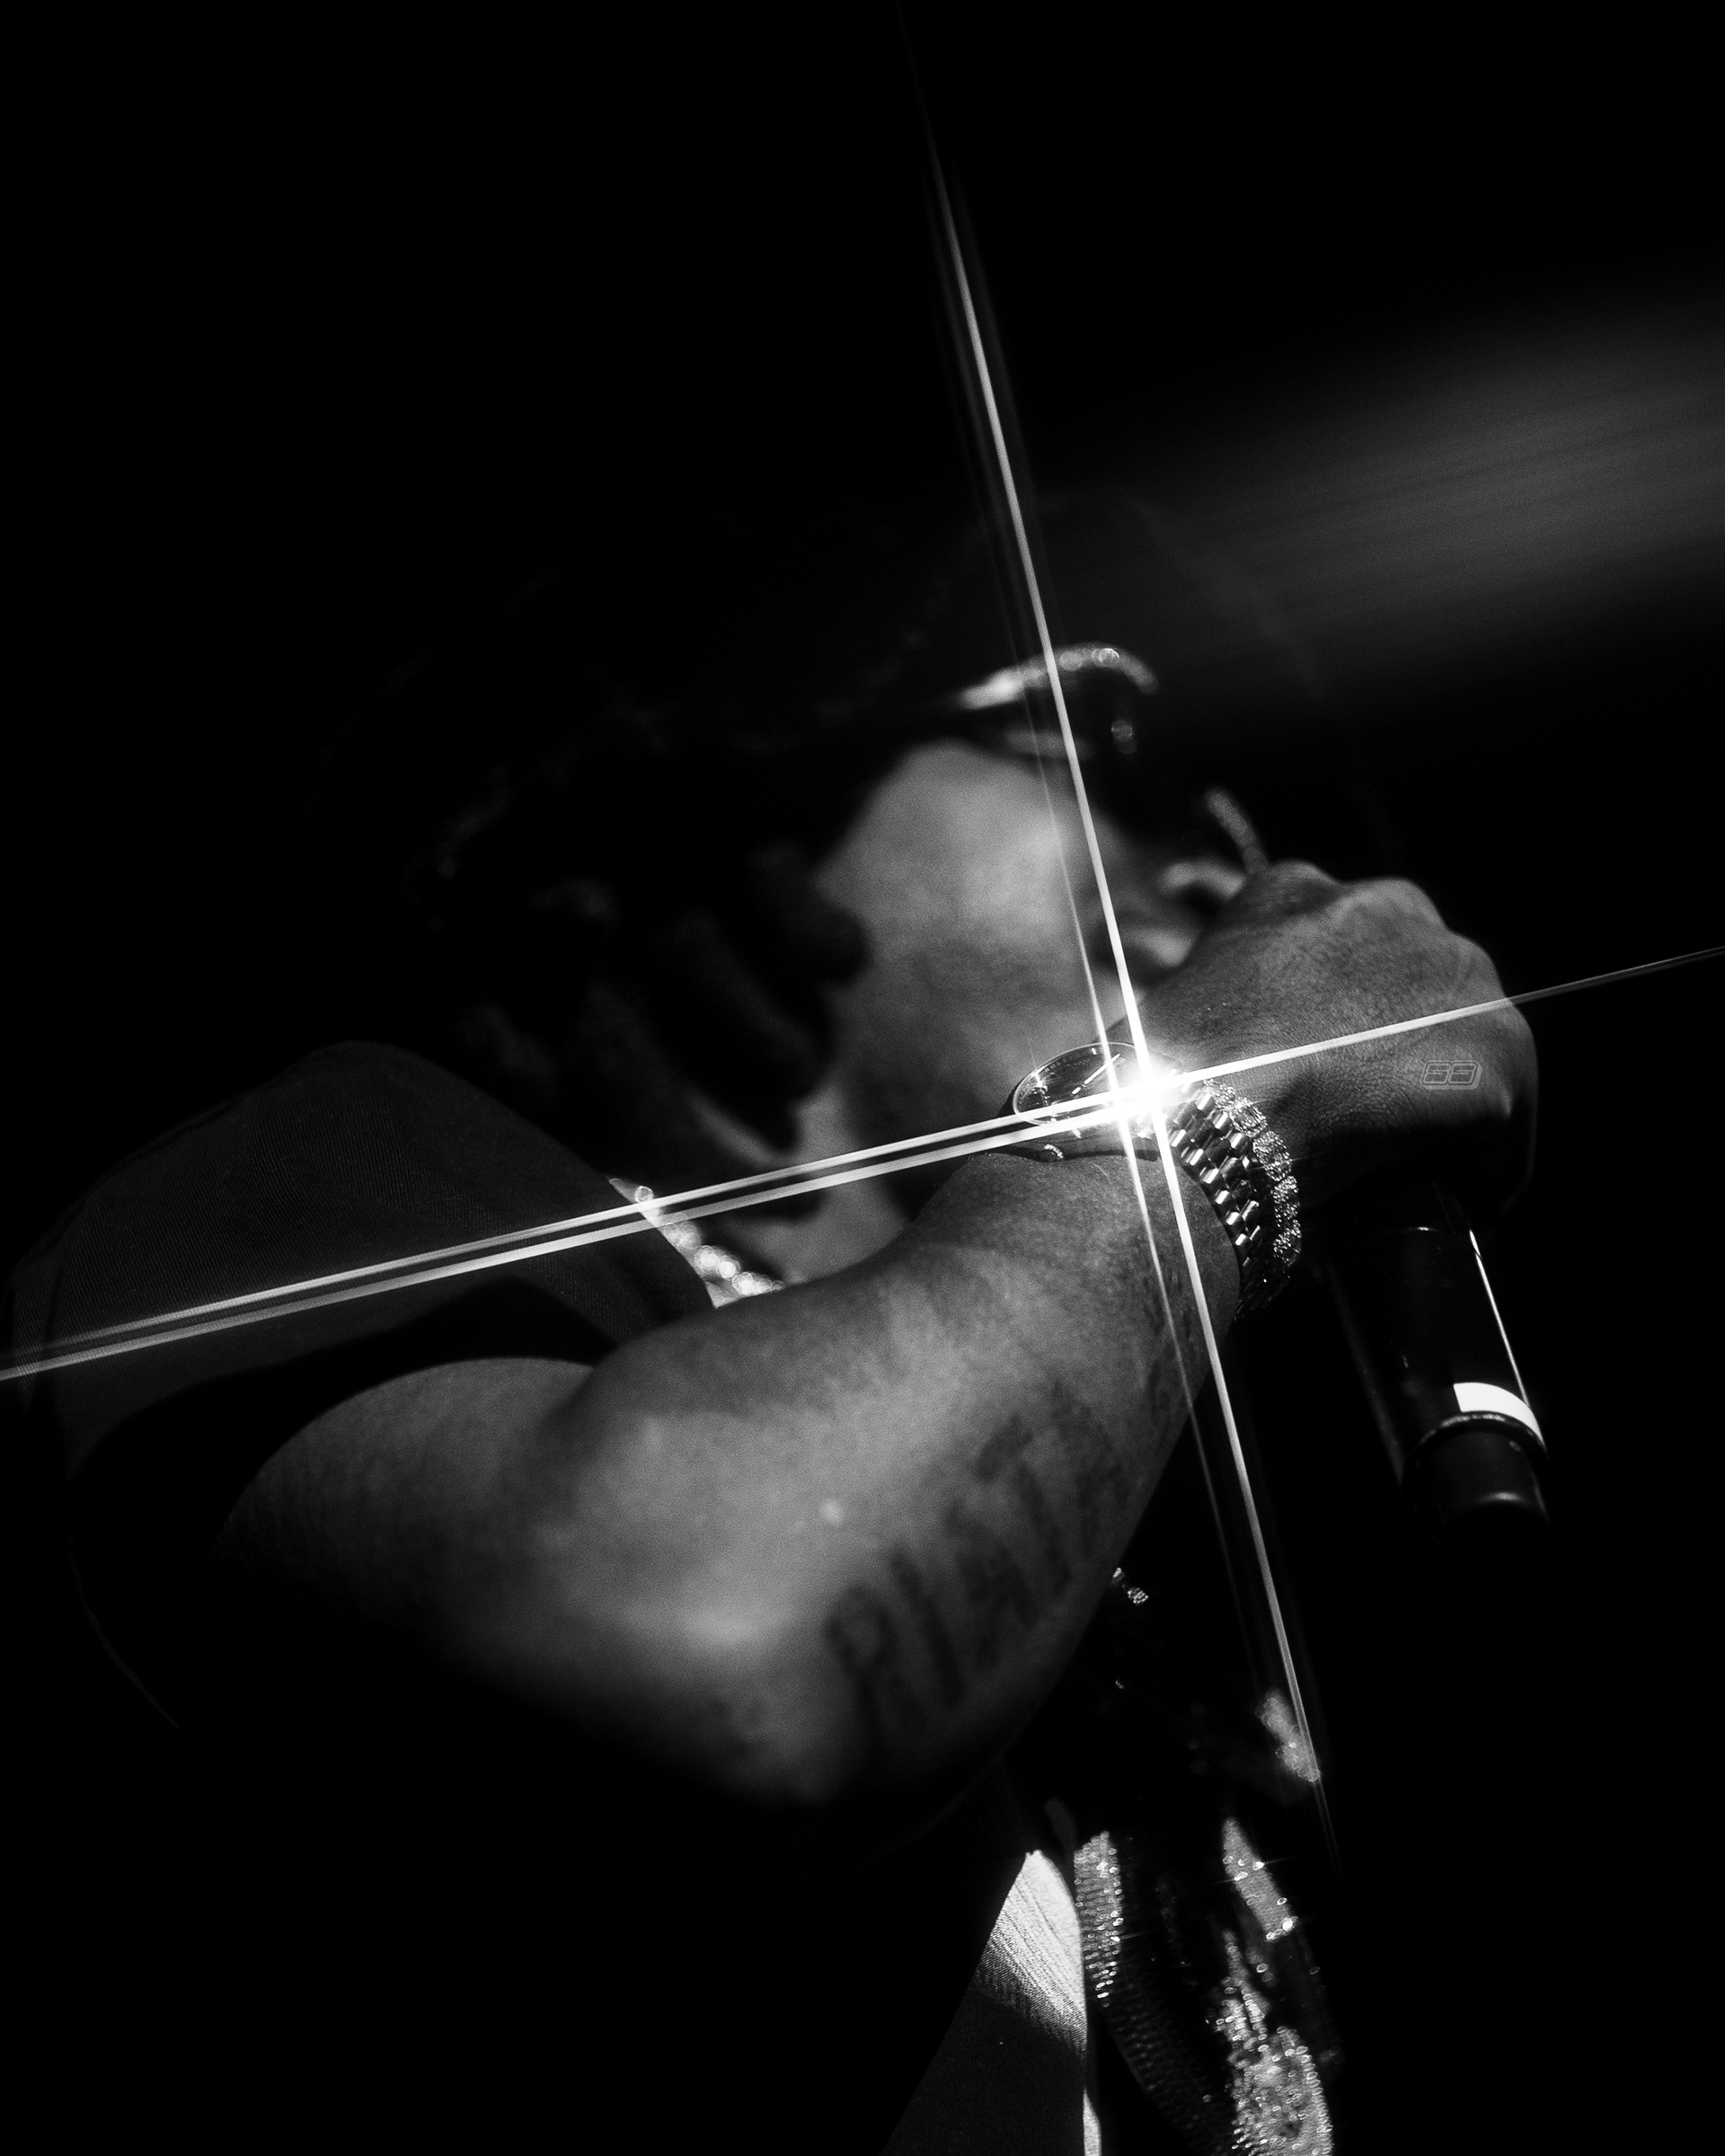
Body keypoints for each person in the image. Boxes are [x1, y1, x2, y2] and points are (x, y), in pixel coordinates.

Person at [10, 496, 1533, 2152]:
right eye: (1100, 738)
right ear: (729, 787)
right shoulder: (342, 1179)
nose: (1233, 854)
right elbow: (703, 1655)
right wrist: (1213, 1113)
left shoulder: (1153, 1618)